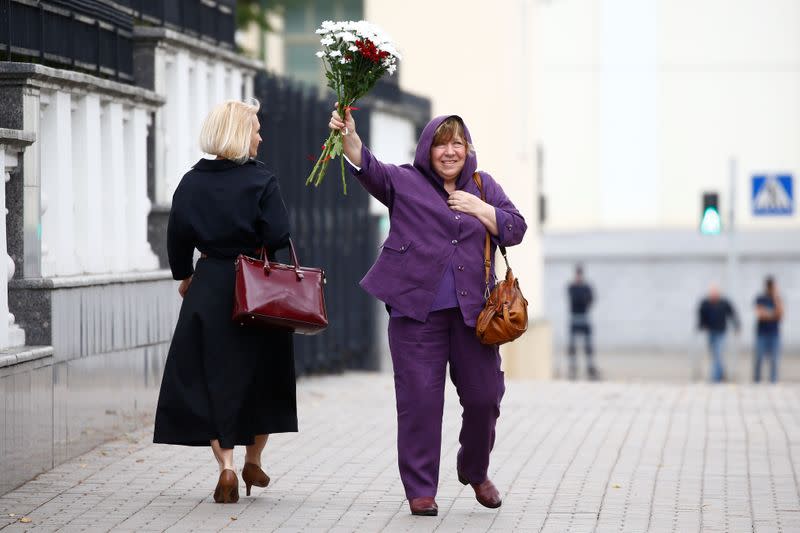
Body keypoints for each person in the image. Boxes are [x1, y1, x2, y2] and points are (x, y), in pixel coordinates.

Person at [328, 107, 527, 516]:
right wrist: (349, 135)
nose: (449, 151)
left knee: (485, 397)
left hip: (476, 317)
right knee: (419, 402)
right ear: (427, 148)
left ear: (467, 149)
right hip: (415, 315)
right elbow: (368, 167)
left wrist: (482, 210)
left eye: (457, 143)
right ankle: (420, 488)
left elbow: (517, 227)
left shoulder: (482, 185)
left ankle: (475, 470)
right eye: (441, 143)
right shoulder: (405, 181)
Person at [153, 99, 297, 504]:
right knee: (263, 376)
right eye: (255, 128)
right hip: (257, 288)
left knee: (214, 379)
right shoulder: (261, 180)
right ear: (239, 134)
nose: (260, 136)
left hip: (210, 285)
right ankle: (256, 457)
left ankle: (228, 467)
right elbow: (278, 236)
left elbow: (177, 238)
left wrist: (185, 278)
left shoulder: (190, 182)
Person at [697, 283, 740, 383]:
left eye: (715, 293)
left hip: (721, 332)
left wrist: (737, 326)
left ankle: (714, 379)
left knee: (718, 353)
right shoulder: (705, 303)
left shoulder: (724, 303)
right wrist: (701, 325)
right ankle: (721, 374)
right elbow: (701, 316)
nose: (713, 295)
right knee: (714, 354)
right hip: (711, 332)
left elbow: (732, 314)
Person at [567, 265, 597, 380]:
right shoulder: (572, 287)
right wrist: (583, 299)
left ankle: (590, 368)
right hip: (575, 317)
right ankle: (573, 368)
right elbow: (576, 299)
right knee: (572, 346)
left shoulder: (586, 287)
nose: (578, 276)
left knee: (588, 346)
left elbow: (591, 299)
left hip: (584, 317)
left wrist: (583, 299)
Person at [754, 276, 784, 383]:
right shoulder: (760, 298)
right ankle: (756, 381)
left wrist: (775, 299)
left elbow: (781, 315)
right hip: (761, 333)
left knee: (774, 360)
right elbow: (760, 314)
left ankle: (773, 382)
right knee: (759, 358)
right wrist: (773, 314)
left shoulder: (778, 298)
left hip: (774, 334)